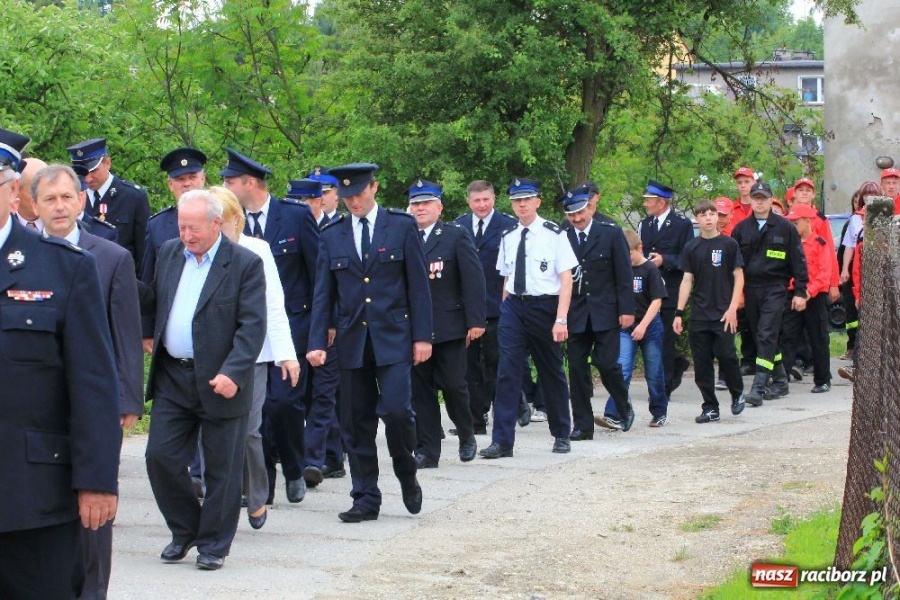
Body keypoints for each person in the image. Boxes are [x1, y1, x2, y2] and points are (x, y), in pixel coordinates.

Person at [0, 128, 120, 597]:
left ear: (11, 190)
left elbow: (92, 383)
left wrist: (97, 481)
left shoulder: (64, 268)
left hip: (34, 494)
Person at [31, 164, 144, 599]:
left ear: (82, 201)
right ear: (35, 207)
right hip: (40, 406)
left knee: (96, 503)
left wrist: (127, 398)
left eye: (66, 197)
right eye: (49, 199)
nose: (59, 207)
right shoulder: (21, 256)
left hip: (98, 404)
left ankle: (93, 590)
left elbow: (125, 334)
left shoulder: (111, 257)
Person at [143, 189, 266, 570]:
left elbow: (252, 326)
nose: (187, 235)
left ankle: (214, 544)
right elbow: (154, 299)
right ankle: (185, 529)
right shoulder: (168, 253)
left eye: (194, 228)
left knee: (222, 470)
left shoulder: (244, 263)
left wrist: (233, 372)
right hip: (174, 377)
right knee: (159, 457)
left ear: (216, 223)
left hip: (220, 380)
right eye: (182, 227)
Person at [307, 163, 431, 523]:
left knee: (396, 411)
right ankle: (365, 496)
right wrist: (317, 341)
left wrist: (423, 337)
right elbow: (322, 294)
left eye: (359, 194)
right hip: (351, 341)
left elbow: (418, 287)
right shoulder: (332, 234)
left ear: (374, 188)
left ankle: (406, 472)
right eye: (346, 197)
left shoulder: (401, 226)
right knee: (355, 421)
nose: (353, 202)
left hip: (394, 337)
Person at [220, 148, 320, 503]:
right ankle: (265, 483)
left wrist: (322, 327)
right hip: (244, 336)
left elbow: (317, 272)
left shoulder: (293, 216)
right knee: (253, 413)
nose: (225, 187)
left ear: (249, 183)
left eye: (230, 181)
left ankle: (294, 467)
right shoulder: (228, 227)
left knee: (282, 405)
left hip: (290, 327)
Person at [210, 186, 300, 530]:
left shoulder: (257, 250)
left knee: (248, 429)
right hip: (209, 355)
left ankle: (257, 494)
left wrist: (286, 355)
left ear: (236, 220)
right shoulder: (197, 252)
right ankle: (221, 495)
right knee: (213, 429)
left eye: (223, 222)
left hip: (253, 356)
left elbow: (274, 306)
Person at [479, 177, 578, 458]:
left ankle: (561, 432)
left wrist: (561, 319)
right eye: (516, 200)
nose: (521, 204)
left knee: (551, 370)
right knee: (507, 373)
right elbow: (507, 275)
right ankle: (502, 442)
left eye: (526, 199)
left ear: (537, 202)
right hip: (513, 307)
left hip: (545, 307)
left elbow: (566, 278)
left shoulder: (553, 233)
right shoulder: (508, 235)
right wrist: (504, 307)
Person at [141, 147, 210, 497]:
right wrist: (146, 329)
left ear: (203, 179)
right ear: (170, 186)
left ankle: (206, 475)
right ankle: (191, 476)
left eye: (192, 178)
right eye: (179, 180)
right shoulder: (158, 226)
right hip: (173, 339)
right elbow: (149, 283)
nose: (186, 184)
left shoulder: (223, 216)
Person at [408, 179, 485, 467]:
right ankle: (428, 450)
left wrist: (475, 320)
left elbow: (473, 280)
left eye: (426, 203)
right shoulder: (404, 236)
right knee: (421, 391)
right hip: (415, 329)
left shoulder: (455, 235)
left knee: (454, 385)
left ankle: (466, 434)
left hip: (450, 326)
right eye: (416, 203)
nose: (420, 208)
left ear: (439, 207)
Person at [284, 177, 346, 485]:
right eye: (295, 202)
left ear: (319, 201)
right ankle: (332, 455)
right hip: (297, 325)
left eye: (307, 201)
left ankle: (313, 460)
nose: (301, 208)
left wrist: (332, 323)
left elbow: (329, 285)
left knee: (323, 393)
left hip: (327, 326)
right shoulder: (287, 229)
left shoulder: (334, 231)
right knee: (304, 395)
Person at [562, 185, 636, 437]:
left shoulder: (611, 233)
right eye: (571, 215)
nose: (577, 219)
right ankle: (582, 425)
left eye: (580, 212)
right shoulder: (562, 235)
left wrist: (627, 309)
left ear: (590, 208)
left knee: (606, 364)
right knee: (577, 369)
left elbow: (624, 275)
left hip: (605, 311)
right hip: (575, 313)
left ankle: (623, 404)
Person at [730, 181, 808, 406]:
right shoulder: (741, 229)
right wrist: (738, 294)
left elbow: (798, 261)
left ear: (771, 199)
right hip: (750, 288)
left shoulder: (785, 228)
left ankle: (759, 385)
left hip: (775, 287)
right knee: (762, 336)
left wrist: (801, 291)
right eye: (756, 198)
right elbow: (735, 266)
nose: (760, 202)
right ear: (751, 200)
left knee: (766, 333)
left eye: (764, 198)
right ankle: (781, 380)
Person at [453, 180, 517, 434]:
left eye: (486, 200)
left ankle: (500, 414)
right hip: (466, 310)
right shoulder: (458, 226)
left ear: (494, 199)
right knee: (467, 367)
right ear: (468, 201)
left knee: (496, 364)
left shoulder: (509, 226)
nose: (482, 205)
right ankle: (474, 420)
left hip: (498, 308)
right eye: (477, 200)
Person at [673, 200, 745, 423]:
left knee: (727, 355)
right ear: (697, 218)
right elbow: (686, 280)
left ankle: (737, 392)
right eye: (703, 214)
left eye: (712, 214)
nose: (708, 218)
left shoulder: (729, 244)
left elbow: (739, 276)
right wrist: (678, 312)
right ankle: (710, 407)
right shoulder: (691, 247)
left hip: (724, 312)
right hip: (700, 314)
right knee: (702, 363)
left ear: (717, 217)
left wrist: (733, 307)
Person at [597, 231, 668, 429]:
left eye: (628, 254)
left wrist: (644, 325)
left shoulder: (650, 270)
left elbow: (657, 301)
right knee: (621, 368)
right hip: (626, 327)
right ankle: (614, 412)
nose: (625, 259)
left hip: (650, 326)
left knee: (653, 371)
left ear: (639, 249)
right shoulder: (621, 270)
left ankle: (659, 411)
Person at [637, 179, 693, 395]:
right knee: (654, 335)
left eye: (649, 201)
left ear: (661, 203)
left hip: (670, 288)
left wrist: (665, 260)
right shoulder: (645, 224)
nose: (646, 204)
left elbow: (687, 258)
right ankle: (676, 365)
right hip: (648, 290)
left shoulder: (682, 224)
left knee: (666, 338)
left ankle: (665, 386)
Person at [66, 138, 150, 273]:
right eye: (82, 173)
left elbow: (143, 251)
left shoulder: (132, 196)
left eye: (93, 171)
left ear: (107, 163)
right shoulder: (71, 197)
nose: (88, 178)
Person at [779, 203, 832, 394]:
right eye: (791, 222)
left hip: (814, 297)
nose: (792, 225)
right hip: (793, 295)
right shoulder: (788, 245)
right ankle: (781, 378)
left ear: (808, 221)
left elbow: (824, 275)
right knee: (787, 336)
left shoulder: (820, 244)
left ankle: (823, 379)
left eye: (796, 222)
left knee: (818, 338)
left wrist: (806, 293)